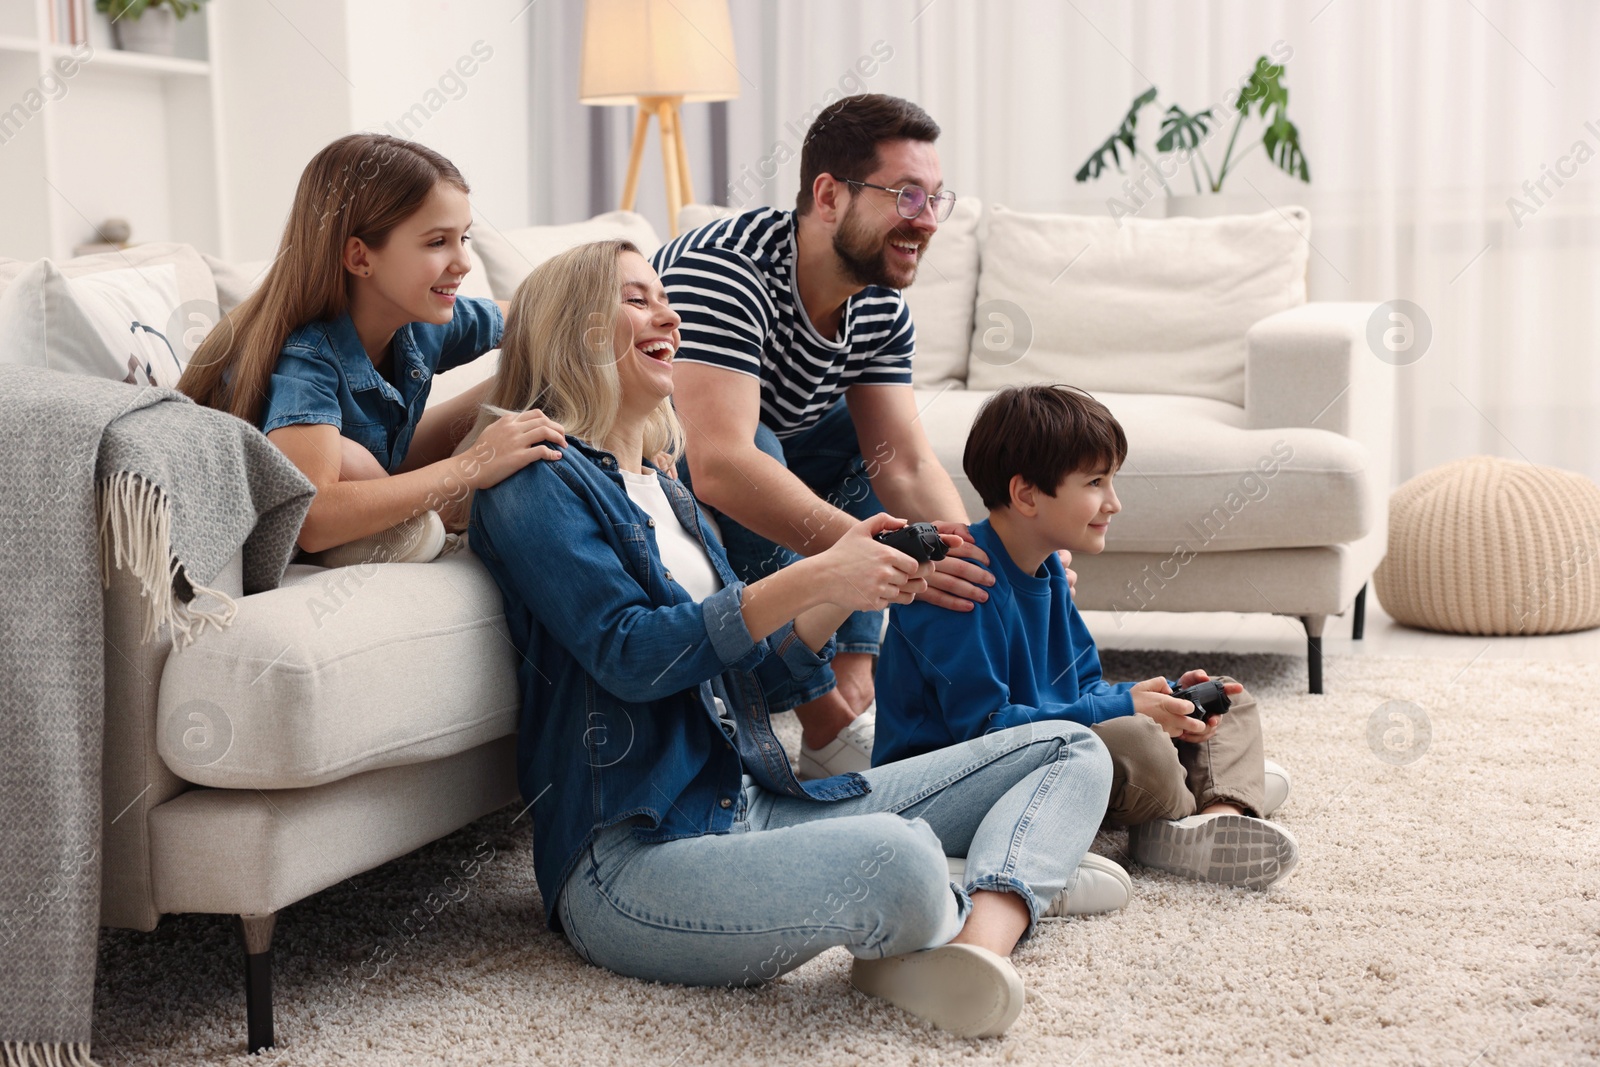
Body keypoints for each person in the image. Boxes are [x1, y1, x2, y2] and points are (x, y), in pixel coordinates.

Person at [467, 240, 1124, 1038]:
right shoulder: (537, 480)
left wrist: (844, 585)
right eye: (637, 298)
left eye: (663, 297)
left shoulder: (669, 492)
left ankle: (985, 928)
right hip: (631, 863)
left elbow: (759, 687)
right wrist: (812, 576)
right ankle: (1015, 868)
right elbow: (632, 654)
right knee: (899, 854)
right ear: (570, 327)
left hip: (750, 804)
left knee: (1069, 748)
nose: (668, 315)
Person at [654, 94, 1013, 779]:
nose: (929, 221)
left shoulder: (879, 305)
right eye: (909, 197)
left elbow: (905, 462)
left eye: (938, 199)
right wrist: (878, 552)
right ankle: (823, 713)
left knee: (862, 441)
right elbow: (720, 463)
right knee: (755, 441)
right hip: (660, 463)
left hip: (761, 455)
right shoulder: (725, 272)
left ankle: (854, 685)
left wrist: (981, 561)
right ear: (828, 195)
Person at [873, 384, 1299, 890]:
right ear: (1026, 494)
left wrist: (1158, 700)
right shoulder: (962, 585)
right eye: (1096, 482)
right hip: (960, 782)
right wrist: (1131, 713)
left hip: (1055, 747)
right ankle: (1202, 798)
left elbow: (1086, 692)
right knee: (1139, 736)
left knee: (1228, 697)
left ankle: (1216, 814)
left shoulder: (1051, 571)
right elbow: (986, 734)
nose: (1113, 503)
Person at [179, 133, 564, 565]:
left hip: (382, 467)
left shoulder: (422, 317)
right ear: (360, 258)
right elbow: (312, 516)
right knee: (347, 457)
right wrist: (472, 466)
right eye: (438, 242)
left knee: (525, 378)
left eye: (464, 239)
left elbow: (539, 315)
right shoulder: (305, 356)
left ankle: (439, 514)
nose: (463, 263)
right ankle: (434, 519)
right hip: (289, 525)